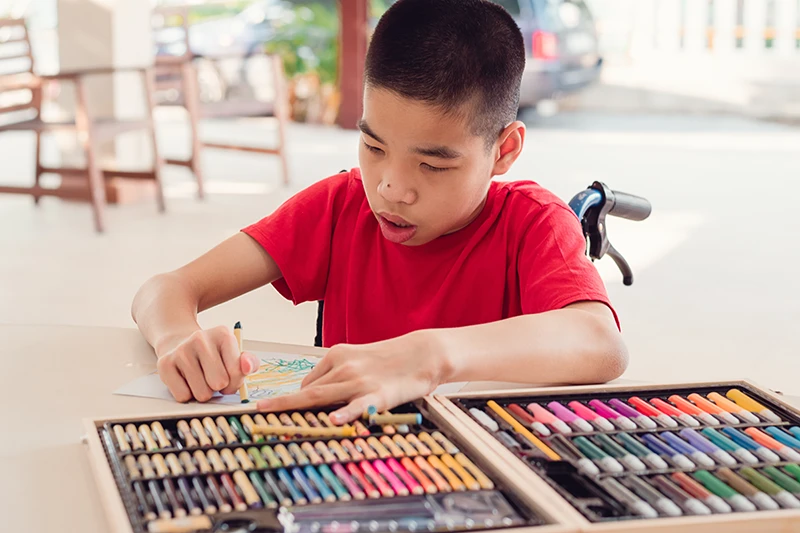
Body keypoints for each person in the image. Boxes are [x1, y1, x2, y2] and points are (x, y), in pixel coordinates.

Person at [131, 0, 628, 424]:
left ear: (504, 150)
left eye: (432, 165)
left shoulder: (532, 223)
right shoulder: (339, 208)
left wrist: (431, 357)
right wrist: (178, 337)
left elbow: (600, 343)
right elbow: (164, 289)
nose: (391, 188)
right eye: (372, 146)